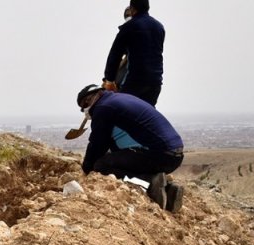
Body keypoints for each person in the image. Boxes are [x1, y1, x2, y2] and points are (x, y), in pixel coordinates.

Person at [77, 84, 184, 212]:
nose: (85, 110)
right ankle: (168, 190)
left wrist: (87, 169)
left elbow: (97, 144)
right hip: (174, 155)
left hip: (160, 156)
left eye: (84, 105)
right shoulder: (118, 99)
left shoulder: (103, 108)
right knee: (119, 159)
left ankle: (149, 183)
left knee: (101, 165)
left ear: (90, 100)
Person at [102, 0, 166, 106]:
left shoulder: (129, 27)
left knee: (124, 112)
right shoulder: (159, 27)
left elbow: (115, 55)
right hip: (155, 82)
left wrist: (109, 80)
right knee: (146, 114)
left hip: (135, 81)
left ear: (132, 9)